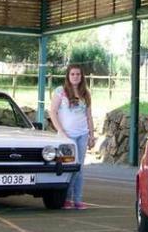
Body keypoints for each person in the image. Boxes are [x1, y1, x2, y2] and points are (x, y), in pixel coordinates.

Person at [49, 65, 95, 210]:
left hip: (82, 134)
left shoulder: (85, 94)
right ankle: (66, 198)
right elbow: (52, 112)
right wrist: (60, 130)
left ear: (82, 77)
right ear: (68, 76)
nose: (75, 76)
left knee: (79, 168)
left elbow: (88, 116)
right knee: (68, 167)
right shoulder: (60, 92)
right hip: (67, 136)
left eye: (78, 74)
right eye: (73, 74)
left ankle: (78, 200)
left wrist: (92, 135)